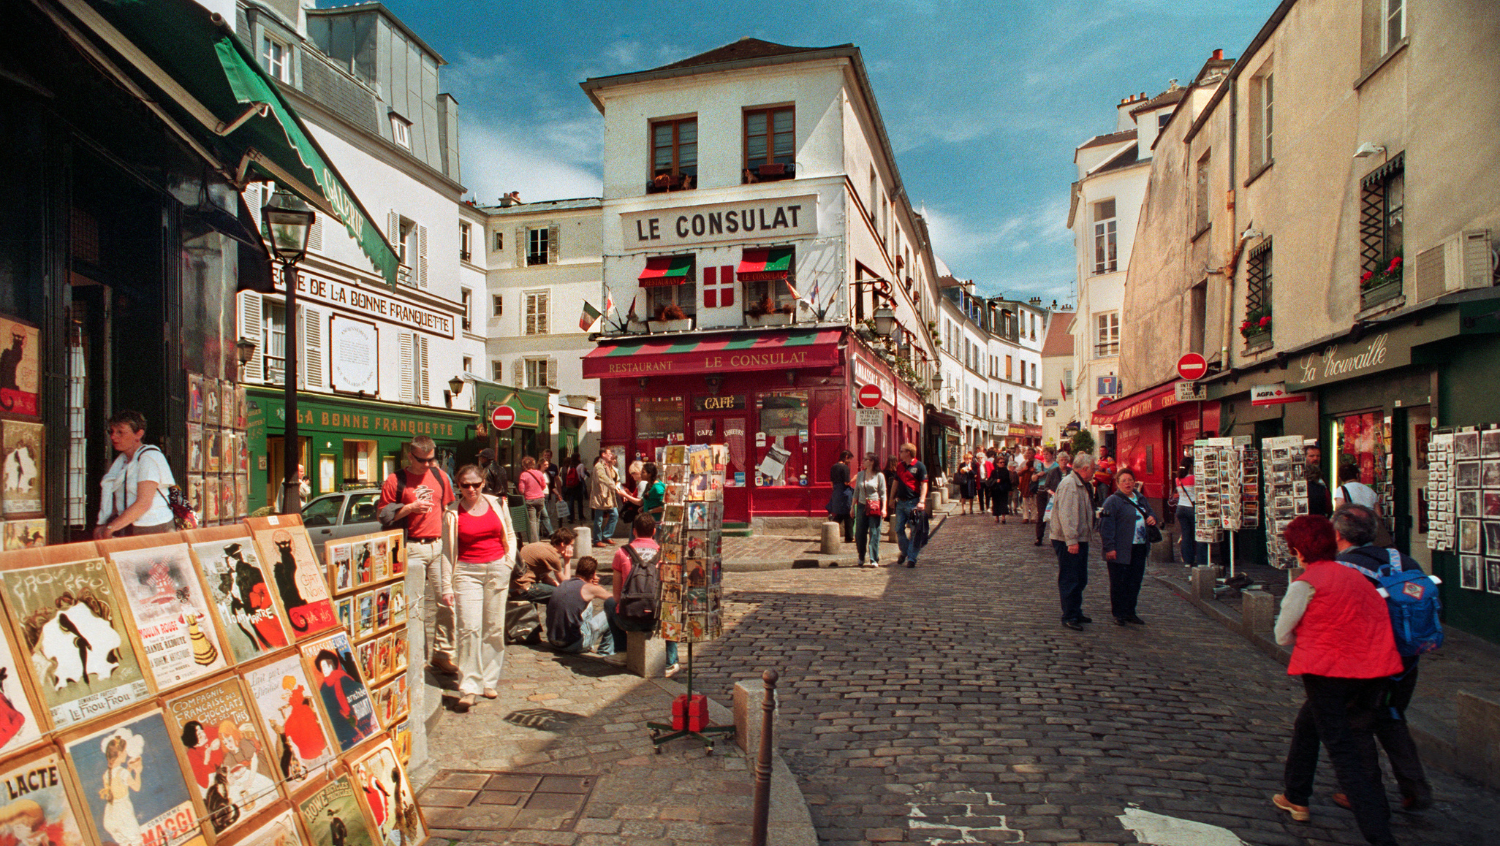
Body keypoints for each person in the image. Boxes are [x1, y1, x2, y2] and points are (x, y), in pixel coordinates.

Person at [1272, 515, 1403, 846]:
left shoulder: (1306, 582)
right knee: (1307, 724)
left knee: (1345, 752)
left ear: (1299, 550)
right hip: (1374, 671)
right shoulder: (1354, 577)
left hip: (1329, 672)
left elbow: (1282, 635)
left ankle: (1380, 834)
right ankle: (1295, 794)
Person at [1331, 504, 1433, 811]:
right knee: (1390, 716)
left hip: (1369, 658)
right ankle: (1415, 788)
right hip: (1407, 658)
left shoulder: (1343, 568)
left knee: (1357, 721)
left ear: (1338, 535)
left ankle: (1364, 791)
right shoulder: (1402, 559)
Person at [375, 436, 456, 674]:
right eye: (423, 460)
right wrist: (408, 508)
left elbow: (447, 510)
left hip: (439, 546)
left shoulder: (440, 476)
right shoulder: (396, 480)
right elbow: (383, 515)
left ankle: (442, 654)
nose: (429, 464)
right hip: (412, 547)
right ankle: (418, 657)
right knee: (414, 605)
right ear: (411, 456)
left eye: (432, 459)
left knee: (447, 602)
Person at [441, 464, 517, 711]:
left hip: (496, 569)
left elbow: (511, 535)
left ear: (483, 482)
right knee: (469, 628)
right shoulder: (452, 513)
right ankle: (469, 686)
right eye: (465, 485)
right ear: (458, 485)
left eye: (475, 484)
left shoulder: (498, 504)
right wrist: (446, 587)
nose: (471, 489)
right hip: (466, 573)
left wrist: (508, 563)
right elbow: (445, 553)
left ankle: (488, 680)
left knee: (493, 628)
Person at [604, 514, 679, 675]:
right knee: (671, 605)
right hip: (657, 621)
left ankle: (622, 650)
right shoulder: (665, 553)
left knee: (609, 603)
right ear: (654, 531)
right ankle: (671, 660)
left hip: (629, 620)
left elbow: (617, 597)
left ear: (634, 531)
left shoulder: (622, 553)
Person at [95, 410, 177, 537]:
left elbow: (143, 503)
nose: (113, 436)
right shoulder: (122, 461)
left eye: (120, 432)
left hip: (153, 527)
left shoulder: (149, 457)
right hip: (129, 526)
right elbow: (119, 498)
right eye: (111, 432)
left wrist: (110, 528)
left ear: (138, 434)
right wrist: (105, 524)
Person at [1098, 467, 1157, 625]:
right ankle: (1119, 613)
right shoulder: (1112, 501)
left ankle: (1131, 611)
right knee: (1119, 582)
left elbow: (1151, 513)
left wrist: (1152, 518)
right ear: (1117, 484)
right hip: (1121, 548)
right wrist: (1109, 548)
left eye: (1130, 480)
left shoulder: (1140, 498)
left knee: (1135, 581)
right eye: (1123, 480)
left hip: (1139, 546)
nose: (1127, 483)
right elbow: (1106, 526)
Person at [1050, 452, 1095, 630]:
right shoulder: (1070, 485)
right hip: (1068, 539)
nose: (1094, 472)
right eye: (1092, 469)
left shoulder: (1080, 484)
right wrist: (1072, 540)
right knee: (1070, 577)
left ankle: (1075, 611)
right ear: (1084, 469)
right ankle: (1069, 615)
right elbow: (1067, 515)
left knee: (1080, 577)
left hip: (1078, 538)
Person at [547, 556, 613, 654]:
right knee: (612, 611)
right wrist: (595, 587)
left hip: (553, 641)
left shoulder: (564, 584)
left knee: (585, 603)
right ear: (593, 574)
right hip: (572, 645)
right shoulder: (589, 589)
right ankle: (605, 652)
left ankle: (589, 642)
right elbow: (615, 600)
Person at [890, 443, 929, 569]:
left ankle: (912, 558)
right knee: (898, 529)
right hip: (900, 503)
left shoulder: (919, 466)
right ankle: (906, 551)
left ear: (908, 452)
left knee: (915, 531)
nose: (899, 453)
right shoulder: (900, 466)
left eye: (901, 451)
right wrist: (891, 498)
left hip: (913, 503)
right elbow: (895, 483)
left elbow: (924, 484)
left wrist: (922, 501)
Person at [512, 528, 575, 604]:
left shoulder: (545, 547)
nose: (572, 548)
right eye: (571, 545)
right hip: (524, 588)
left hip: (516, 584)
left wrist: (557, 586)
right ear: (563, 543)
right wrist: (567, 560)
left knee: (555, 592)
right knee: (562, 595)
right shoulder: (553, 556)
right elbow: (565, 583)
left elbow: (545, 578)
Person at [851, 453, 887, 568]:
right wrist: (852, 507)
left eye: (865, 459)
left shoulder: (879, 476)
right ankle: (861, 556)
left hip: (875, 506)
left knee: (874, 532)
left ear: (871, 461)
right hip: (861, 506)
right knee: (859, 533)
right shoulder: (860, 474)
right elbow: (856, 492)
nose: (863, 461)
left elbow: (883, 493)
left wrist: (884, 508)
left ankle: (873, 558)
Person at [1173, 457, 1206, 566]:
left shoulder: (1177, 479)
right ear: (1191, 466)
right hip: (1192, 508)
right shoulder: (1194, 478)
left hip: (1180, 508)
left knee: (1186, 535)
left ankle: (1188, 561)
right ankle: (1202, 561)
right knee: (1199, 534)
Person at [589, 452, 623, 546]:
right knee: (599, 518)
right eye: (609, 453)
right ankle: (597, 540)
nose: (611, 455)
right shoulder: (599, 466)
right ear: (603, 454)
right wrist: (613, 485)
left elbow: (616, 479)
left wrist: (617, 486)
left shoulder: (609, 467)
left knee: (614, 515)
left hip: (609, 496)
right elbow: (602, 478)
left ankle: (606, 536)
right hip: (601, 495)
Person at [516, 456, 552, 544]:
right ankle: (537, 539)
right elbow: (543, 486)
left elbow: (521, 490)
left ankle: (534, 542)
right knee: (537, 519)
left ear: (524, 465)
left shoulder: (524, 475)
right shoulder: (539, 473)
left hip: (530, 499)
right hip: (540, 498)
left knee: (532, 520)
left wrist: (526, 492)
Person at [1032, 447, 1059, 545]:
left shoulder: (1056, 466)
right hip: (1041, 491)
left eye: (1047, 454)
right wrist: (1039, 475)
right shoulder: (1040, 465)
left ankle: (1054, 537)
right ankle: (1039, 537)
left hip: (1052, 492)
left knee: (1054, 515)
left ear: (1052, 455)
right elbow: (1033, 479)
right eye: (1044, 454)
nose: (1045, 456)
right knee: (1041, 515)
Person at [826, 450, 854, 543]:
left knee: (841, 514)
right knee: (849, 514)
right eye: (849, 459)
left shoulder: (833, 467)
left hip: (836, 491)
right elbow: (847, 482)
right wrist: (855, 477)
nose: (850, 461)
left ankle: (829, 531)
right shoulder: (844, 467)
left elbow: (831, 483)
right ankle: (849, 537)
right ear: (846, 457)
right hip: (844, 492)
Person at [1305, 443, 1334, 517]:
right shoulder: (1301, 477)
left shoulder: (1321, 477)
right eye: (1311, 456)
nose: (1315, 458)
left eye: (1318, 456)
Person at [562, 455, 587, 526]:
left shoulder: (570, 466)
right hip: (578, 484)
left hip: (571, 485)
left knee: (571, 501)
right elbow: (582, 475)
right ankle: (581, 516)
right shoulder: (581, 465)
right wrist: (585, 476)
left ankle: (570, 517)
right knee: (579, 501)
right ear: (578, 458)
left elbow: (568, 474)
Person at [990, 448, 1013, 524]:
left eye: (1003, 462)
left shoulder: (1006, 471)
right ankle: (997, 518)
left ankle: (1003, 518)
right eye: (1001, 462)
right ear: (997, 463)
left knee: (1004, 503)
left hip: (1004, 489)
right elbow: (990, 480)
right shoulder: (994, 471)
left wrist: (1010, 490)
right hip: (996, 490)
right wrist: (996, 481)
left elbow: (1008, 481)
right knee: (996, 503)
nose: (1002, 463)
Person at [1018, 457, 1036, 523]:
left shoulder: (1034, 470)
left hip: (1032, 487)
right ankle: (1026, 517)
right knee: (1025, 502)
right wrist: (1023, 469)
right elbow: (1019, 474)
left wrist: (1034, 471)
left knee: (1033, 502)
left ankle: (1033, 517)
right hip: (1025, 487)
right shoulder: (1025, 470)